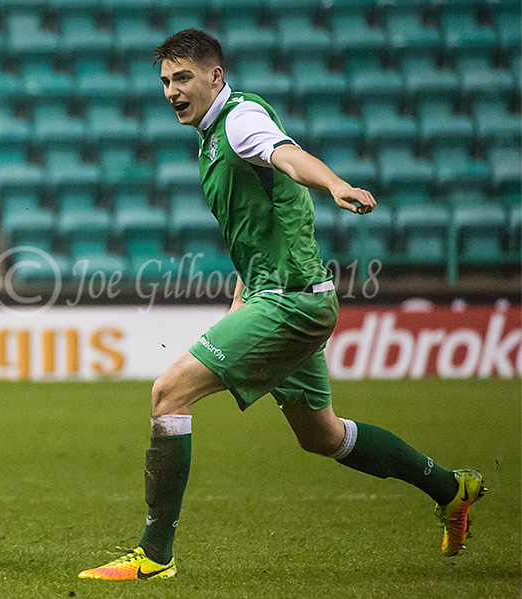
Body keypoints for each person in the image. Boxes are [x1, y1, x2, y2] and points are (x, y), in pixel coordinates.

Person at [78, 29, 484, 581]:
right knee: (322, 434)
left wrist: (334, 184)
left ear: (215, 76)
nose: (172, 90)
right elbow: (254, 236)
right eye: (166, 81)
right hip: (284, 298)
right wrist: (238, 307)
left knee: (168, 393)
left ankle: (155, 553)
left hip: (291, 303)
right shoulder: (208, 137)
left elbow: (285, 154)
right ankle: (451, 487)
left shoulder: (240, 121)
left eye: (184, 78)